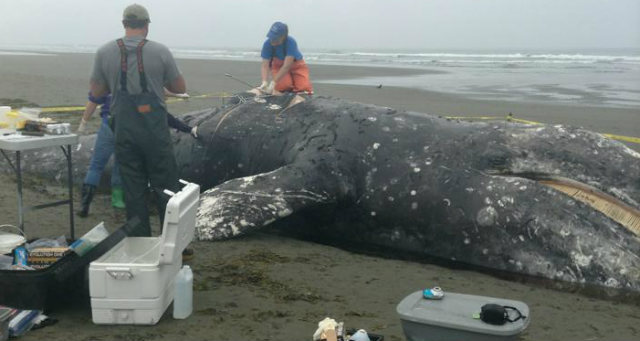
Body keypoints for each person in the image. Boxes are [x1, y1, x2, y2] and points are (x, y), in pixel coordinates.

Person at [89, 4, 187, 237]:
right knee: (166, 186)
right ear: (146, 26)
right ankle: (171, 242)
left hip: (124, 129)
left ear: (124, 24)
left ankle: (140, 240)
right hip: (154, 131)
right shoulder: (160, 51)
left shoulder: (104, 52)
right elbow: (180, 88)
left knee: (133, 188)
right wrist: (156, 83)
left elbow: (97, 91)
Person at [76, 90, 198, 218]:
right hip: (128, 129)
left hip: (109, 124)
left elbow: (93, 100)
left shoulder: (109, 79)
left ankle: (85, 205)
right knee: (120, 165)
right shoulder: (139, 83)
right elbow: (157, 108)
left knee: (96, 165)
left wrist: (83, 124)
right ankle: (118, 204)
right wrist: (187, 127)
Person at [258, 22, 313, 95]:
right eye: (271, 37)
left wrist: (274, 82)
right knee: (283, 87)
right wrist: (264, 81)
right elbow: (265, 65)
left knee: (303, 88)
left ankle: (297, 87)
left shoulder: (291, 42)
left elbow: (287, 66)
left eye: (275, 38)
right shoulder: (267, 44)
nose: (272, 40)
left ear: (283, 37)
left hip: (296, 66)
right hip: (278, 66)